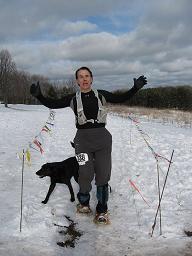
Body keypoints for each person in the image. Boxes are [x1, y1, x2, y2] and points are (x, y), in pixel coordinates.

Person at [30, 67, 147, 224]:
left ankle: (102, 209)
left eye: (87, 76)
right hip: (82, 142)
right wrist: (39, 96)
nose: (84, 79)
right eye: (80, 77)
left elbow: (121, 98)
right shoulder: (73, 98)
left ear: (91, 79)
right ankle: (84, 202)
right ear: (77, 81)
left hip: (103, 141)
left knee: (103, 174)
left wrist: (135, 88)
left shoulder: (101, 95)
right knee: (84, 173)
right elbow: (54, 103)